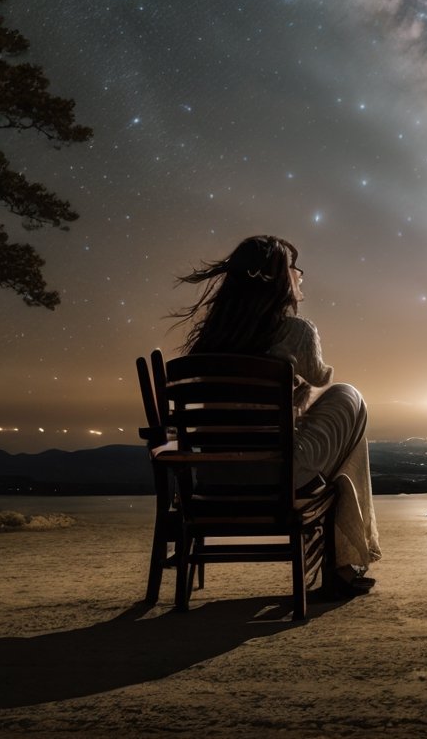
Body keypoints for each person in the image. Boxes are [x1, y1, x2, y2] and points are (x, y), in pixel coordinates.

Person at [175, 234, 380, 594]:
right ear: (278, 277)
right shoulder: (296, 330)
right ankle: (341, 563)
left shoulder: (211, 342)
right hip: (276, 474)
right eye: (293, 268)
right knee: (349, 397)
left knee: (326, 425)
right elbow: (319, 379)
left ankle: (341, 561)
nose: (300, 275)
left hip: (212, 477)